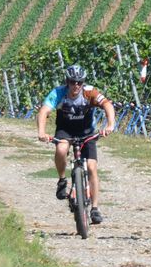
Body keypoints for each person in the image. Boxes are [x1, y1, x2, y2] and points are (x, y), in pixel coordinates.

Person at [37, 64, 116, 224]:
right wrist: (41, 132)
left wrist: (110, 124)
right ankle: (62, 180)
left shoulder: (89, 92)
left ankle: (94, 208)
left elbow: (107, 105)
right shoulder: (58, 93)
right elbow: (44, 111)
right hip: (65, 130)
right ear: (67, 82)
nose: (76, 86)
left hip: (86, 132)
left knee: (92, 167)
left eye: (79, 82)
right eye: (73, 82)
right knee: (61, 149)